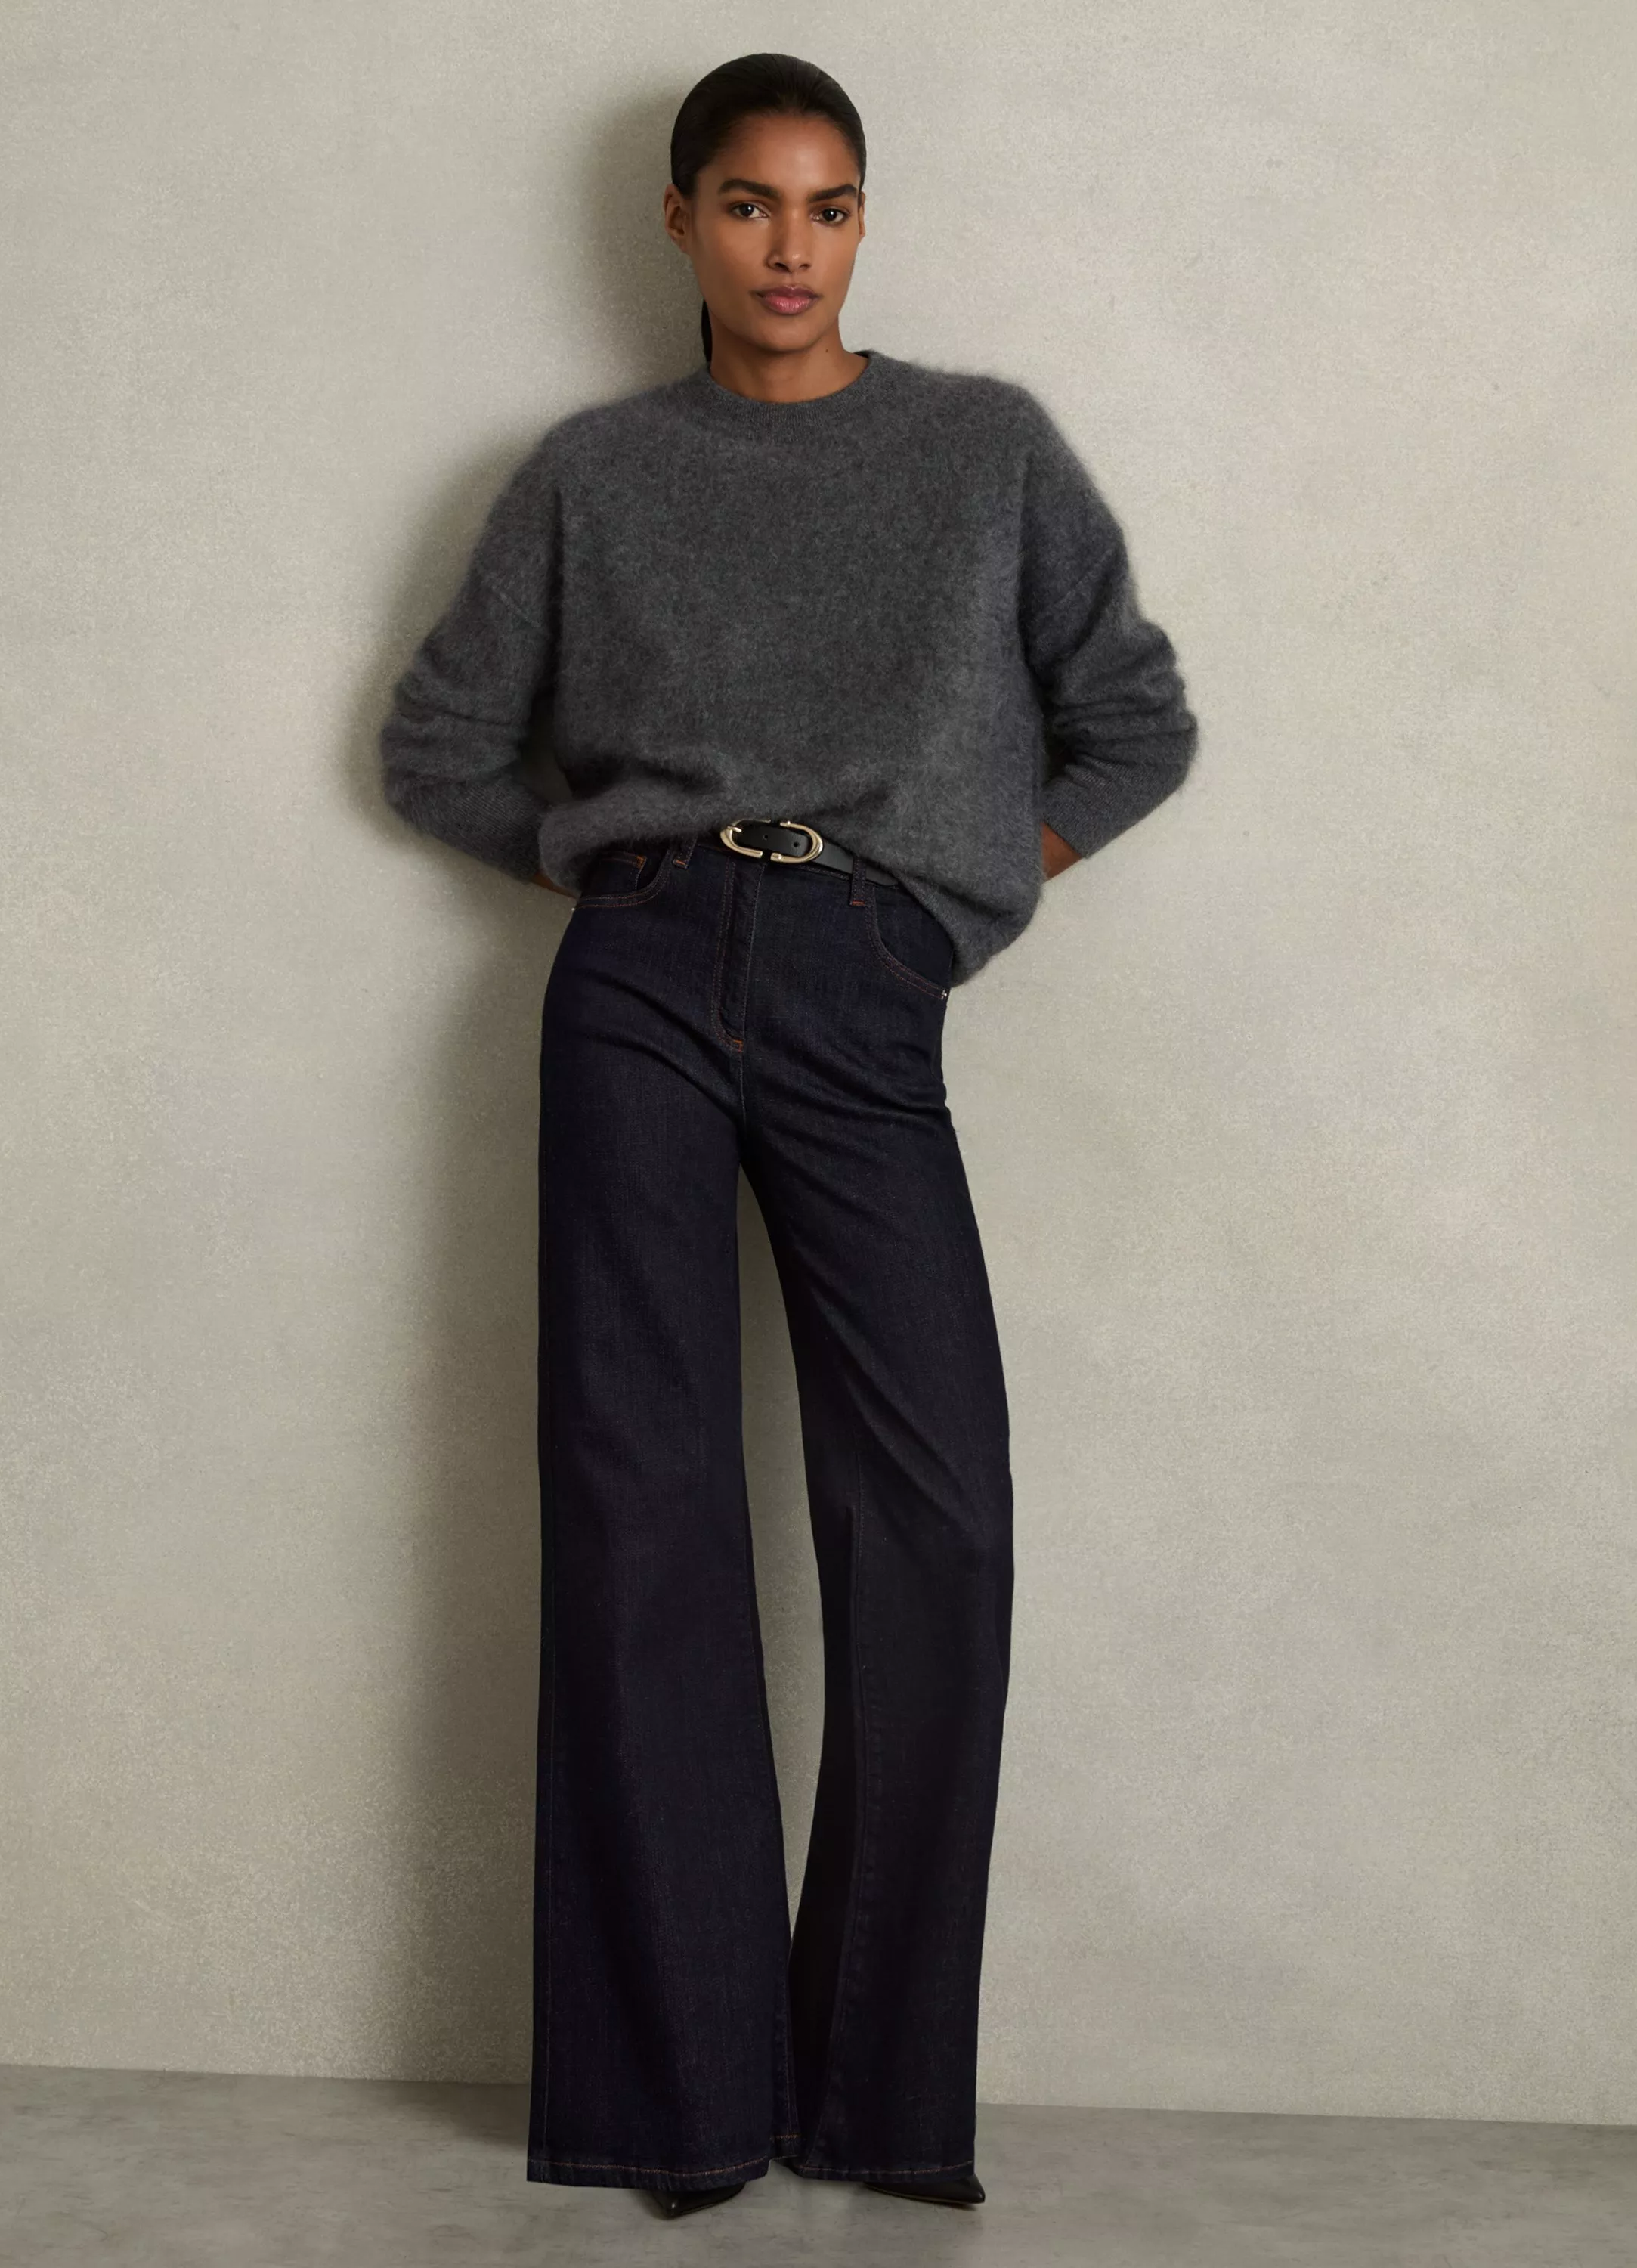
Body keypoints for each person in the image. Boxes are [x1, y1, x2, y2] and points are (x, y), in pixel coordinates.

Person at [379, 51, 1197, 2222]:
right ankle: (676, 2106)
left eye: (828, 206)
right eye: (748, 203)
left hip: (863, 980)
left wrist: (955, 893)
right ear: (681, 220)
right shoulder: (593, 475)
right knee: (641, 1520)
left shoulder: (983, 450)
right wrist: (609, 868)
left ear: (862, 224)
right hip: (638, 987)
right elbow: (436, 742)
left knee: (940, 1521)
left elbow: (1134, 717)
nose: (790, 247)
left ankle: (876, 2101)